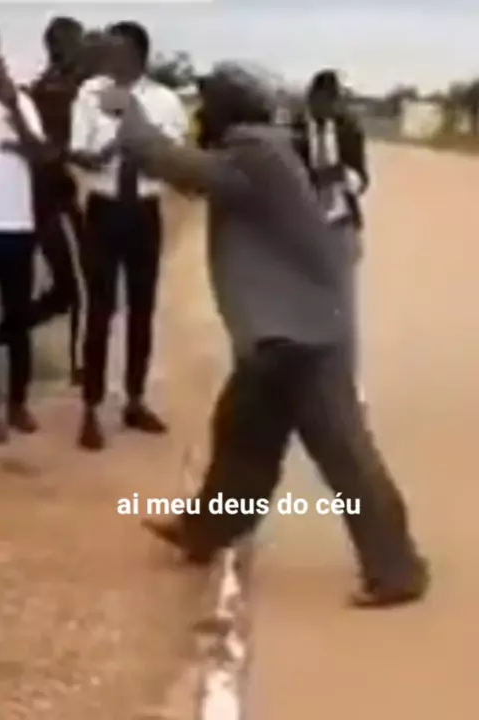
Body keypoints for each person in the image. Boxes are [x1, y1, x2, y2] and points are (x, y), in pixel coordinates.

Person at [100, 63, 429, 608]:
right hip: (280, 337)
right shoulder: (266, 150)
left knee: (344, 453)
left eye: (209, 106)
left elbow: (176, 165)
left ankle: (397, 570)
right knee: (242, 439)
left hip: (301, 338)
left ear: (228, 110)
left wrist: (128, 115)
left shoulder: (254, 154)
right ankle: (205, 530)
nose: (202, 116)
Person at [70, 22, 188, 451]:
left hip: (143, 211)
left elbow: (172, 160)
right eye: (107, 52)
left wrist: (135, 129)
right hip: (103, 209)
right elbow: (77, 152)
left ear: (139, 55)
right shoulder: (90, 94)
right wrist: (103, 152)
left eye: (116, 51)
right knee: (99, 310)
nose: (109, 60)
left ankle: (135, 401)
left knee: (142, 309)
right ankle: (90, 407)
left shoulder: (166, 101)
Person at [4, 17, 87, 386]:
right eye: (74, 41)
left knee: (68, 288)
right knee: (73, 286)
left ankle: (14, 330)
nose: (79, 49)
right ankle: (15, 333)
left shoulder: (45, 89)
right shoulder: (57, 92)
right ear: (58, 45)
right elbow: (49, 150)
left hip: (45, 196)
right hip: (48, 198)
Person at [293, 69, 369, 402]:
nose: (331, 108)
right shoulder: (292, 131)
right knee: (299, 307)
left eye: (336, 102)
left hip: (339, 223)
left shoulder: (349, 130)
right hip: (300, 229)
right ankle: (301, 383)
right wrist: (314, 179)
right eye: (325, 101)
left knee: (343, 312)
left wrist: (345, 177)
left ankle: (346, 382)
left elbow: (362, 179)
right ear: (312, 99)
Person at [0, 56, 47, 440]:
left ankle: (17, 403)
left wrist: (12, 106)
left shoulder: (22, 103)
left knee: (18, 319)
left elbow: (40, 154)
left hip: (17, 224)